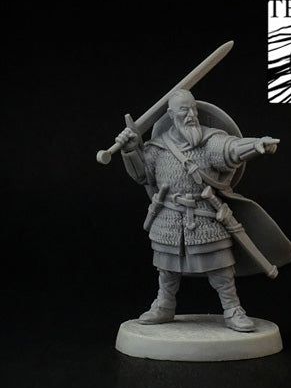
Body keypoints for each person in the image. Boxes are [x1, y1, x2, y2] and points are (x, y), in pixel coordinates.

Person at [115, 89, 278, 332]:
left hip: (205, 215)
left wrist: (255, 145)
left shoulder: (209, 141)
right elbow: (142, 175)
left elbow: (230, 150)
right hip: (169, 216)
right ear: (171, 115)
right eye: (184, 110)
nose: (191, 115)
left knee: (221, 268)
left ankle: (233, 309)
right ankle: (164, 306)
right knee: (167, 270)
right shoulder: (158, 147)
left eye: (193, 109)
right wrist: (130, 150)